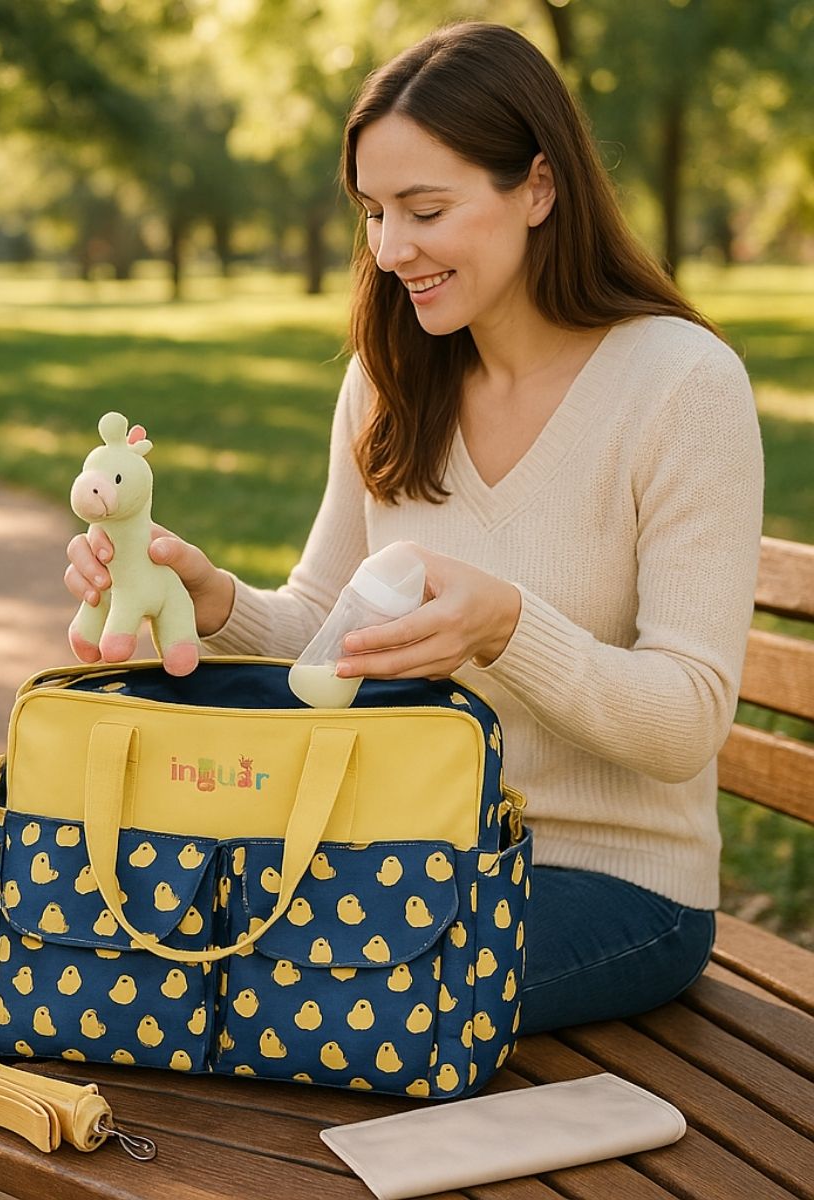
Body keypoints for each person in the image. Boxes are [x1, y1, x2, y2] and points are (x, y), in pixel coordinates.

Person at [65, 22, 764, 1036]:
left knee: (273, 998)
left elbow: (689, 719)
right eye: (375, 212)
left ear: (537, 187)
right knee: (142, 948)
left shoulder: (681, 385)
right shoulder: (391, 379)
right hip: (391, 847)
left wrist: (507, 628)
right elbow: (322, 621)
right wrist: (210, 596)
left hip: (612, 883)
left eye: (425, 210)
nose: (391, 251)